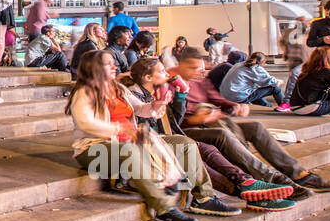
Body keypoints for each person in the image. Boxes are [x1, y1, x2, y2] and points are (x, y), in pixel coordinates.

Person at [68, 50, 239, 221]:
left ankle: (204, 197)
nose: (114, 66)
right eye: (108, 63)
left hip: (130, 141)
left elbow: (140, 109)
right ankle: (165, 208)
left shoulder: (118, 88)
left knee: (185, 144)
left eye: (113, 62)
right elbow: (85, 122)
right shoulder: (83, 92)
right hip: (95, 149)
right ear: (93, 67)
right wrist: (120, 129)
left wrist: (154, 106)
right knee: (129, 150)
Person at [126, 56, 295, 210]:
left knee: (209, 147)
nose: (167, 73)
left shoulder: (159, 91)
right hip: (153, 143)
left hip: (168, 138)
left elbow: (173, 121)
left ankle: (247, 184)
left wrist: (180, 97)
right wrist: (165, 102)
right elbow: (148, 122)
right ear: (148, 78)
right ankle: (244, 188)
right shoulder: (136, 94)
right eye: (161, 71)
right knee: (199, 150)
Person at [172, 47, 330, 196]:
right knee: (223, 133)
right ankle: (272, 178)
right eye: (194, 68)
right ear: (181, 65)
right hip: (189, 129)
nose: (198, 72)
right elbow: (171, 121)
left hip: (209, 122)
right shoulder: (172, 82)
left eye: (201, 69)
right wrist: (198, 118)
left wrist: (234, 106)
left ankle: (299, 174)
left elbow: (216, 98)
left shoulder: (199, 81)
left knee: (255, 127)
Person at [219, 52, 286, 107]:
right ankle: (284, 107)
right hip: (237, 96)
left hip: (226, 95)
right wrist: (279, 82)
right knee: (275, 89)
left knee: (255, 91)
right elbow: (270, 81)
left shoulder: (239, 64)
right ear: (262, 62)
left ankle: (267, 106)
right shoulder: (255, 68)